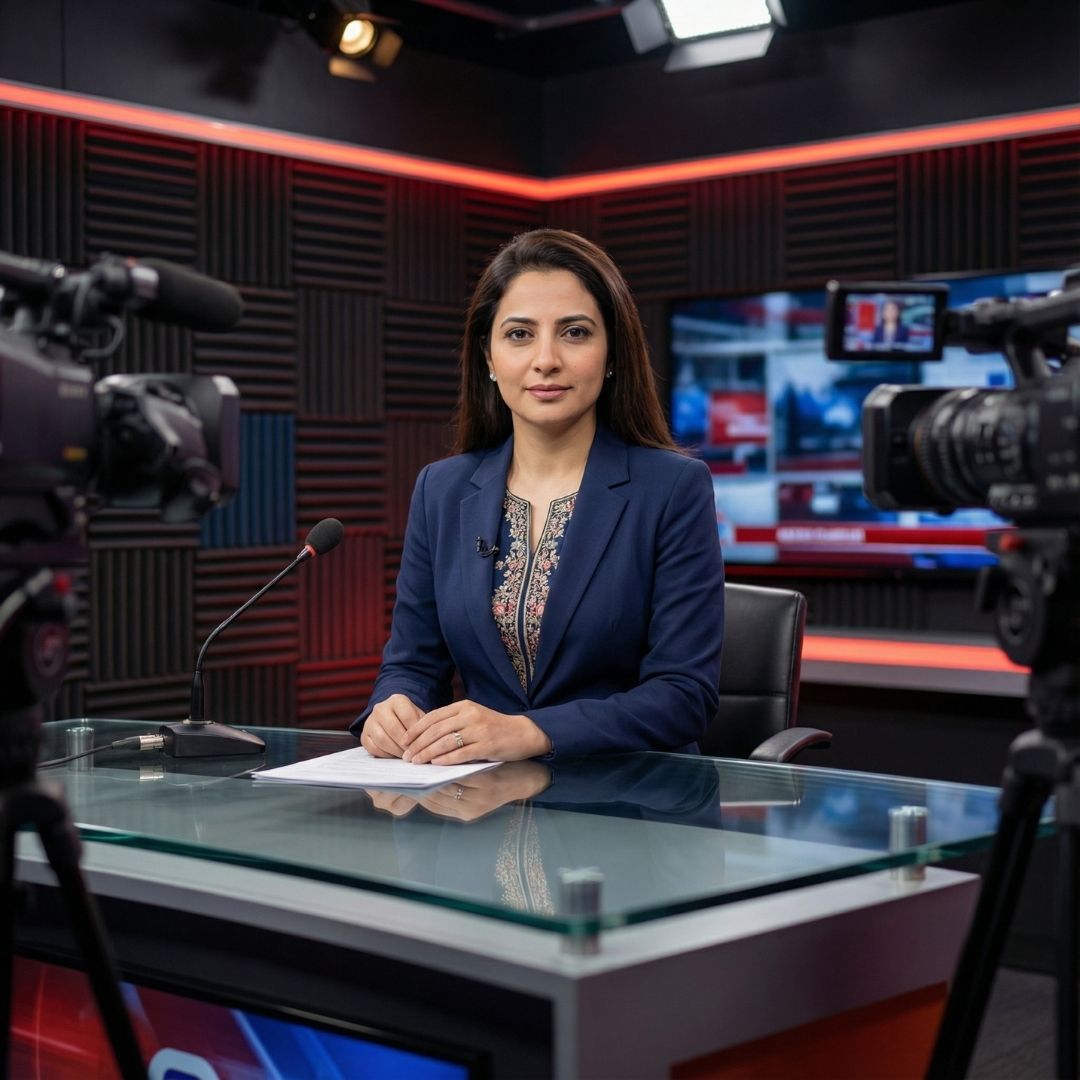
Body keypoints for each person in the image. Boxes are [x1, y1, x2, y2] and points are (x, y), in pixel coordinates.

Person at [351, 228, 724, 763]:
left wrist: (531, 732)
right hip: (481, 810)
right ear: (488, 355)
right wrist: (392, 706)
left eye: (574, 333)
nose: (545, 359)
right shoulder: (441, 489)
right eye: (520, 335)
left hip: (634, 812)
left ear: (612, 353)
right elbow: (413, 663)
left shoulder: (673, 489)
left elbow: (683, 696)